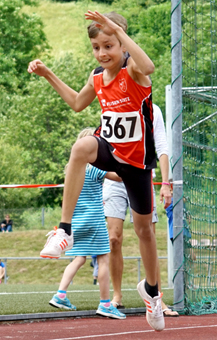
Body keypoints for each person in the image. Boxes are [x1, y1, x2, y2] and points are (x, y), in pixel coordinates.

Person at [28, 10, 172, 331]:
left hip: (136, 163)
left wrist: (118, 33)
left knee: (144, 231)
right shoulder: (97, 77)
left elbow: (149, 66)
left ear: (121, 43)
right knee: (81, 146)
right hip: (111, 153)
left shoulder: (134, 70)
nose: (102, 53)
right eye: (97, 47)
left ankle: (151, 292)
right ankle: (64, 230)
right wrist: (49, 74)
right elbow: (78, 104)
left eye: (109, 45)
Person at [103, 103, 178, 316]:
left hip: (141, 177)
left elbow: (162, 146)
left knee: (148, 235)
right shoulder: (114, 102)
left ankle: (157, 298)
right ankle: (116, 296)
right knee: (114, 238)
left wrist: (165, 183)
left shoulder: (152, 109)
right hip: (115, 180)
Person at [48, 128, 125, 319]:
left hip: (76, 221)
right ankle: (105, 303)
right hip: (95, 220)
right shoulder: (96, 168)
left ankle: (60, 294)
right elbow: (119, 177)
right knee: (103, 258)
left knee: (79, 258)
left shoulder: (72, 168)